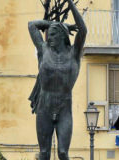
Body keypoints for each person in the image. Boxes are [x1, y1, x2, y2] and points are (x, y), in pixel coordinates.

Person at [28, 0, 87, 159]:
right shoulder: (43, 50)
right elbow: (31, 25)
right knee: (44, 153)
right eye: (49, 33)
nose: (49, 37)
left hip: (64, 109)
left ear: (62, 35)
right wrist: (52, 24)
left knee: (62, 152)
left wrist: (70, 3)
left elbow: (83, 30)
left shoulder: (74, 53)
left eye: (53, 34)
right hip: (44, 108)